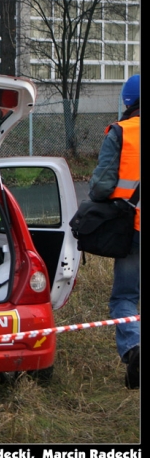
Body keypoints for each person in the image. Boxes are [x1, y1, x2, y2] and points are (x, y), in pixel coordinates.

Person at [88, 74, 140, 390]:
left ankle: (134, 348)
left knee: (125, 297)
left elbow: (101, 186)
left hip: (132, 228)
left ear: (127, 101)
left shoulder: (122, 132)